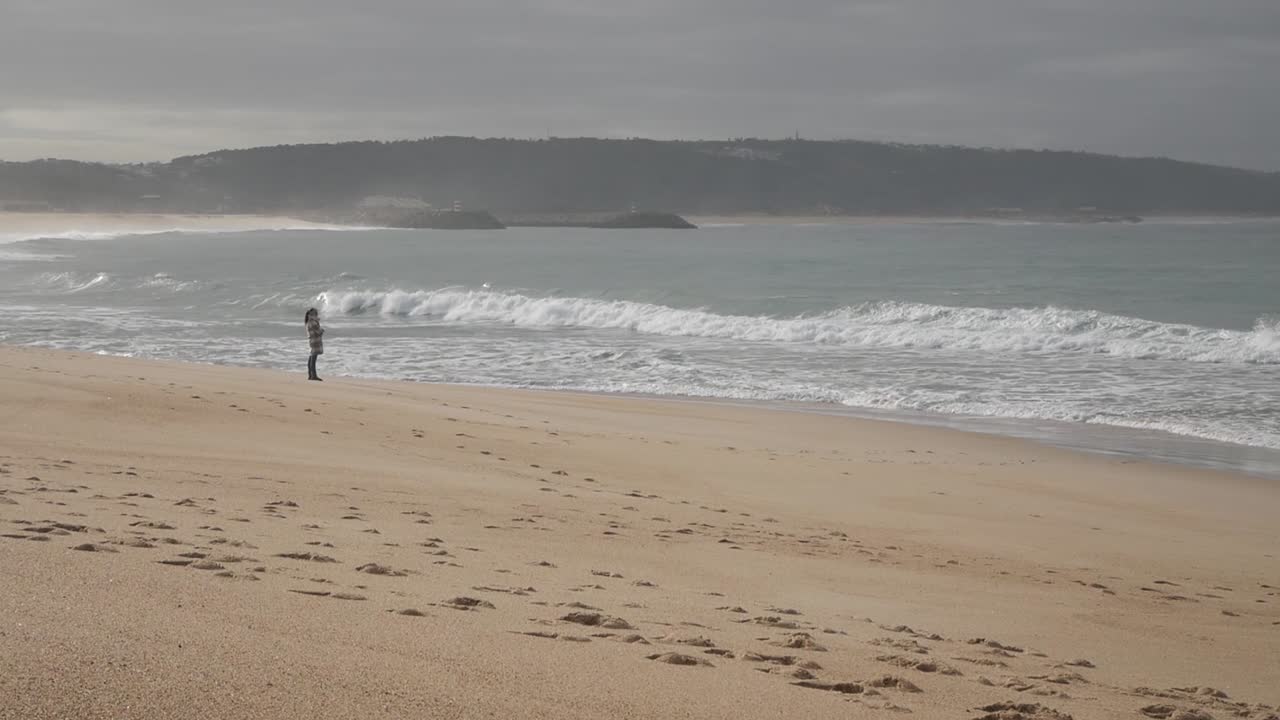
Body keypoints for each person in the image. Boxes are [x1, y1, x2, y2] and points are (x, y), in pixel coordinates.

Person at [305, 307, 324, 381]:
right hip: (315, 341)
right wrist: (322, 330)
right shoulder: (313, 322)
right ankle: (313, 375)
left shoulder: (309, 321)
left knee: (311, 357)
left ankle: (310, 374)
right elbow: (318, 332)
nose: (317, 314)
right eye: (316, 313)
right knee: (313, 358)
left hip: (312, 340)